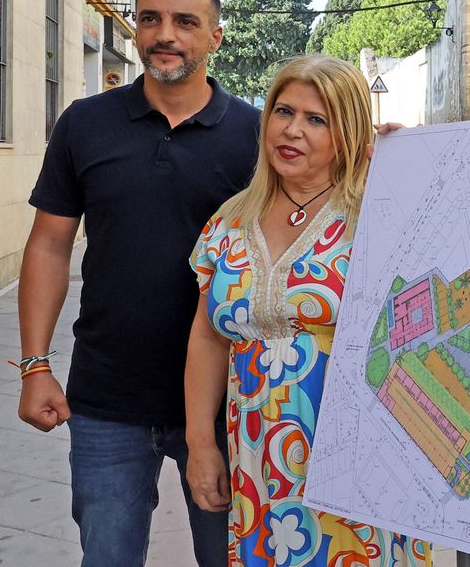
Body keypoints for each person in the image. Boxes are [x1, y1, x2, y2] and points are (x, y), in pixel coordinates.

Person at [17, 0, 260, 567]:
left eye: (185, 21)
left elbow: (328, 198)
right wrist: (34, 365)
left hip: (229, 399)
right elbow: (49, 244)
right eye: (149, 18)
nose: (164, 34)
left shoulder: (256, 136)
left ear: (214, 38)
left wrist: (382, 150)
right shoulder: (85, 122)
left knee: (229, 559)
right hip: (108, 396)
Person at [182, 56, 431, 567]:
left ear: (349, 132)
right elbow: (208, 338)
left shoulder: (382, 213)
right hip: (257, 463)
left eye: (317, 119)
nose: (292, 130)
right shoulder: (229, 223)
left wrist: (413, 170)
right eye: (283, 111)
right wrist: (200, 443)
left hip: (358, 462)